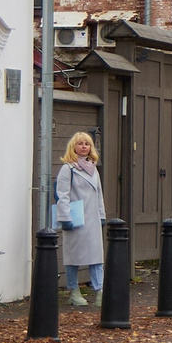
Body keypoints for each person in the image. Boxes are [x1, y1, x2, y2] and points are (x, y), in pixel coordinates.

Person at [54, 132, 107, 308]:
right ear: (73, 147)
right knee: (73, 257)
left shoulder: (93, 168)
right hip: (76, 219)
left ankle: (100, 290)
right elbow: (62, 194)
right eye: (80, 143)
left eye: (87, 144)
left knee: (96, 256)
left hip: (92, 218)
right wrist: (65, 218)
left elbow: (98, 194)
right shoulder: (68, 168)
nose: (84, 146)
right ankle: (74, 291)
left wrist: (101, 215)